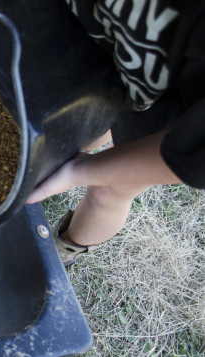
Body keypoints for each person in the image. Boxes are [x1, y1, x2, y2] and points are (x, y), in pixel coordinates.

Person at [25, 0, 205, 266]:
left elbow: (194, 158)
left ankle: (59, 255)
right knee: (86, 127)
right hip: (95, 45)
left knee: (108, 191)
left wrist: (79, 171)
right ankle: (97, 133)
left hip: (165, 109)